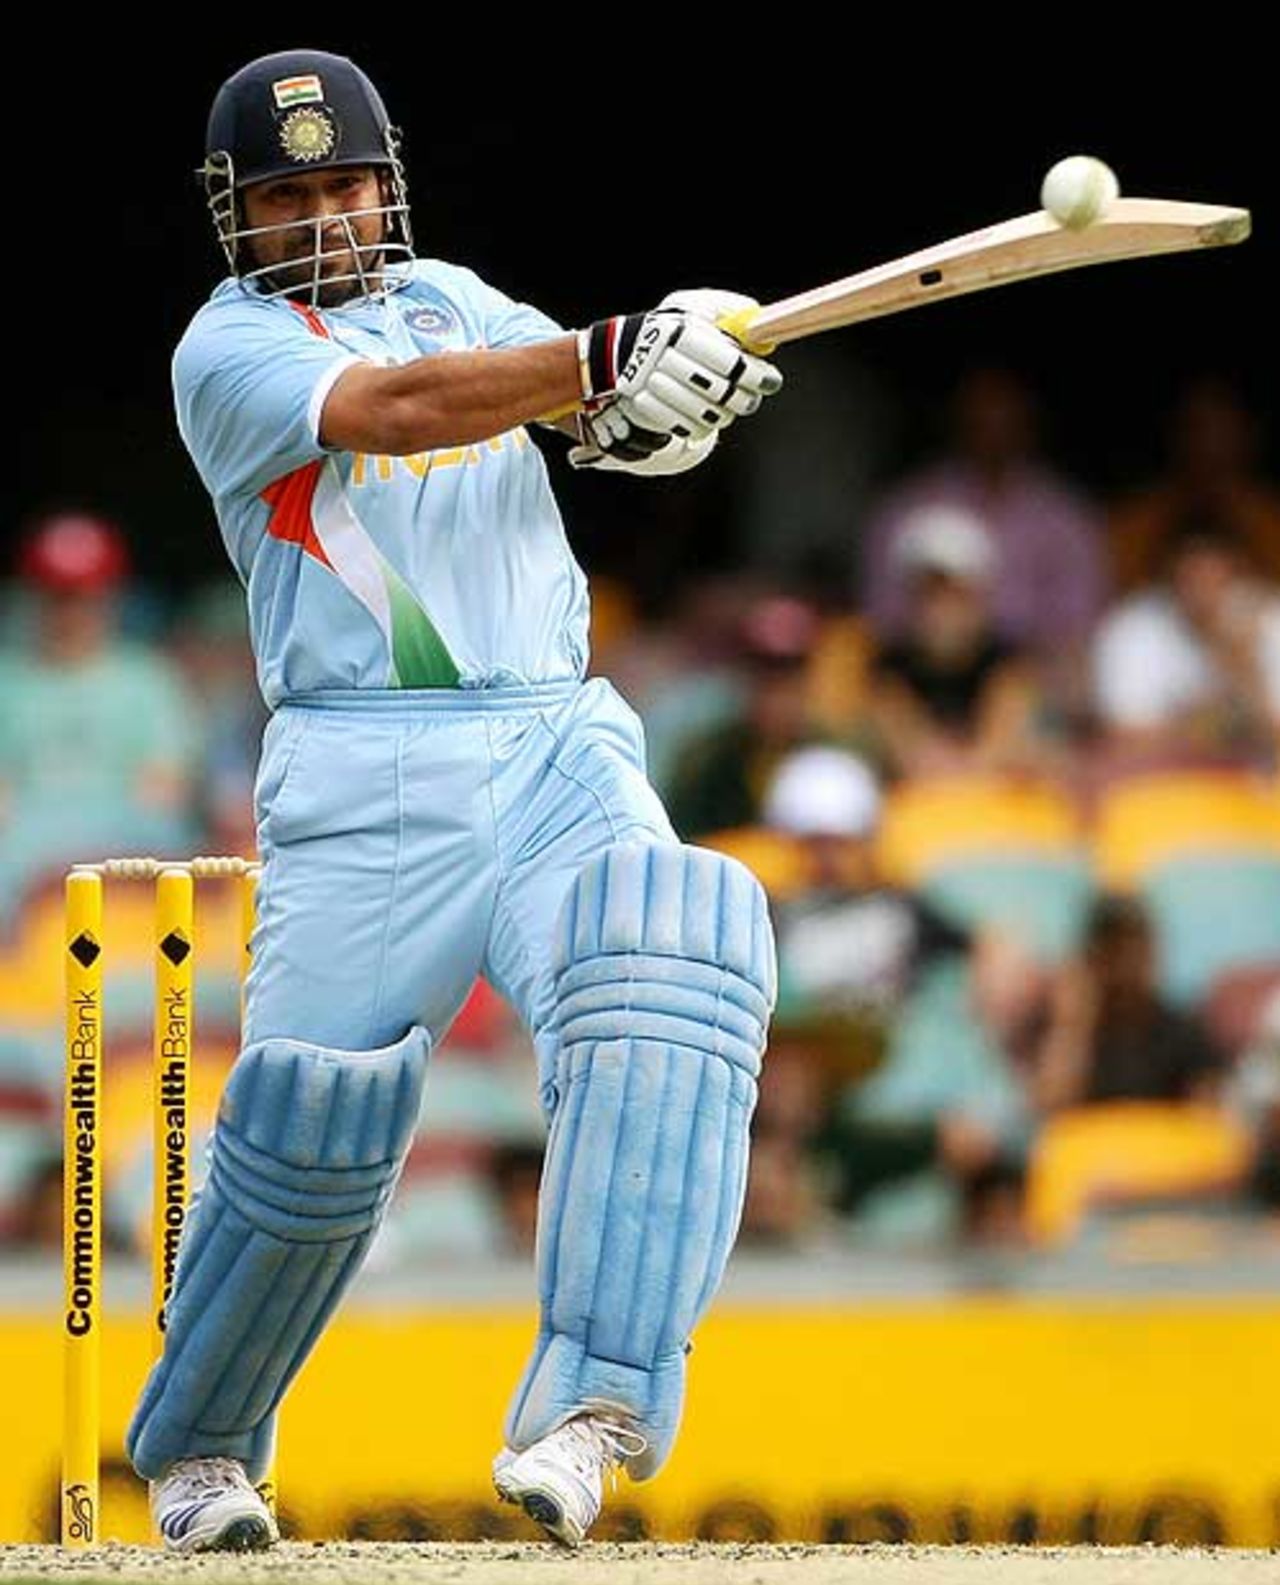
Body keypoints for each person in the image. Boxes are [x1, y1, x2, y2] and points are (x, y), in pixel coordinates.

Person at [122, 49, 783, 1554]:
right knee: (311, 1127)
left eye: (348, 183)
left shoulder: (461, 294)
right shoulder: (225, 352)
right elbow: (412, 410)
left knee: (675, 943)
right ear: (238, 212)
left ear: (389, 181)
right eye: (290, 193)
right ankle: (205, 1449)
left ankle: (595, 1404)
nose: (329, 216)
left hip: (556, 732)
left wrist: (662, 400)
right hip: (366, 765)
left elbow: (584, 412)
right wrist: (609, 353)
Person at [0, 511, 201, 920]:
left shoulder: (147, 679)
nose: (71, 610)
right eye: (58, 594)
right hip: (23, 857)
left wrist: (85, 860)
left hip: (127, 842)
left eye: (83, 594)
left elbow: (163, 793)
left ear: (109, 594)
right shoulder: (8, 680)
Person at [864, 505, 1046, 778]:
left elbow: (1002, 747)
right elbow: (910, 755)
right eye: (930, 594)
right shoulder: (886, 666)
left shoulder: (1009, 663)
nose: (942, 609)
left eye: (956, 594)